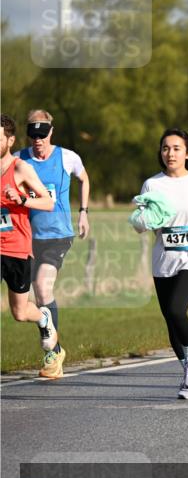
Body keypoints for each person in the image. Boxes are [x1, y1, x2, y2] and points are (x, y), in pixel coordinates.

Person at [132, 129, 188, 399]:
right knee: (170, 320)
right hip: (164, 259)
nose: (170, 153)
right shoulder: (152, 185)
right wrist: (144, 220)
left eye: (175, 148)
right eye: (165, 148)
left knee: (176, 309)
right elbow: (145, 221)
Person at [18, 109, 92, 378]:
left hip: (58, 235)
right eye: (33, 135)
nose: (38, 140)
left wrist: (84, 212)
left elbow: (84, 179)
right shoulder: (18, 160)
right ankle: (55, 350)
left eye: (42, 134)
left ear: (51, 131)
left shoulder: (68, 157)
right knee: (34, 298)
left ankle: (52, 354)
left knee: (42, 285)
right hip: (27, 236)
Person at [1, 114, 59, 357]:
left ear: (10, 140)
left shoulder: (21, 168)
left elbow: (49, 202)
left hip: (16, 248)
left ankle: (43, 317)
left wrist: (22, 199)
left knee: (20, 312)